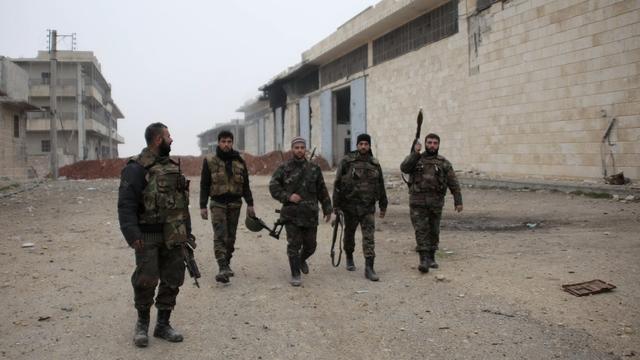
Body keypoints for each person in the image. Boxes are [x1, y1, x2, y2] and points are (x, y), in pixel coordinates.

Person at [118, 122, 188, 347]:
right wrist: (132, 233)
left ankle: (163, 324)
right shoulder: (136, 168)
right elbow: (126, 204)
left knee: (172, 279)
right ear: (158, 139)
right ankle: (142, 324)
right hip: (147, 235)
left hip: (174, 235)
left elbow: (182, 204)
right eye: (168, 136)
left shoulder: (173, 167)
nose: (172, 139)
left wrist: (188, 232)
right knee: (145, 280)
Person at [269, 137, 332, 286]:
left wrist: (327, 208)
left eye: (302, 147)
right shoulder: (284, 168)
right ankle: (295, 273)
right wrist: (288, 196)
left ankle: (302, 259)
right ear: (292, 149)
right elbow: (273, 187)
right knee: (293, 245)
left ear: (305, 149)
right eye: (296, 147)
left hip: (310, 214)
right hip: (292, 214)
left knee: (311, 246)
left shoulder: (314, 169)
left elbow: (322, 190)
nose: (299, 150)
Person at [400, 133, 463, 273]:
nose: (432, 145)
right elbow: (404, 168)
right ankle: (423, 260)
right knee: (421, 230)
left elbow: (453, 182)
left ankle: (432, 257)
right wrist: (414, 154)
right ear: (425, 143)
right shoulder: (416, 158)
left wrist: (458, 201)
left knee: (434, 229)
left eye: (435, 143)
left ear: (438, 145)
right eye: (429, 142)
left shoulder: (443, 162)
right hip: (417, 201)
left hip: (436, 202)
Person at [199, 130, 254, 284]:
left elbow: (246, 184)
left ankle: (227, 263)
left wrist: (250, 203)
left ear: (232, 143)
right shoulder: (210, 160)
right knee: (220, 234)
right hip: (217, 203)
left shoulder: (239, 161)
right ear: (218, 142)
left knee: (231, 237)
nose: (226, 144)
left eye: (229, 141)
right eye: (223, 141)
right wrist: (202, 205)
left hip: (235, 203)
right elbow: (204, 184)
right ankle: (222, 267)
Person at [332, 133, 388, 281]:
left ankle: (369, 268)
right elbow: (337, 184)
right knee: (349, 235)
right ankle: (349, 256)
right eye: (361, 144)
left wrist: (383, 204)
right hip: (350, 206)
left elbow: (381, 185)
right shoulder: (347, 161)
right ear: (357, 145)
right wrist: (336, 205)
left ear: (369, 146)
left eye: (366, 144)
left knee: (369, 237)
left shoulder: (375, 164)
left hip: (368, 207)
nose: (363, 146)